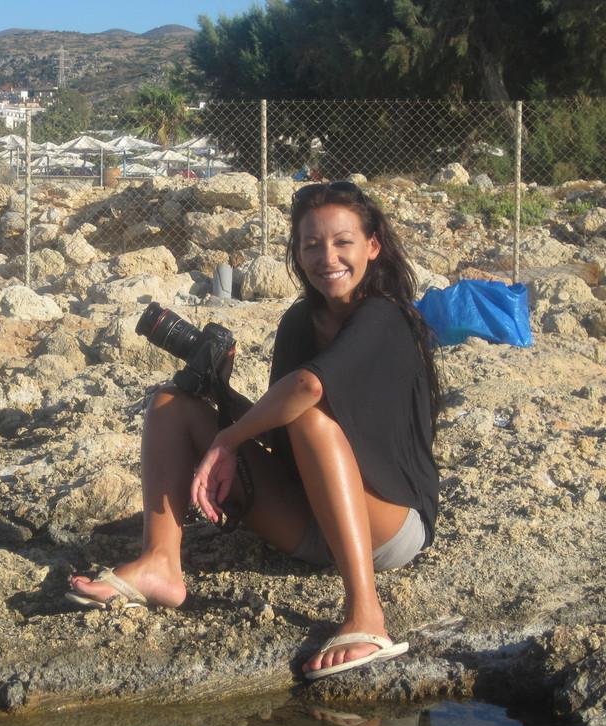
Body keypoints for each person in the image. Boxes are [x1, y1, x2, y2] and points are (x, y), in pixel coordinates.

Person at [67, 181, 441, 680]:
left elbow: (308, 390)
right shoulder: (299, 322)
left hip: (389, 525)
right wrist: (222, 396)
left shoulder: (385, 316)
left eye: (343, 242)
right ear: (297, 253)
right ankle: (159, 563)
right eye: (312, 245)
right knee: (171, 404)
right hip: (312, 521)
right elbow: (284, 436)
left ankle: (366, 614)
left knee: (308, 408)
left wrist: (229, 438)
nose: (327, 257)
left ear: (372, 246)